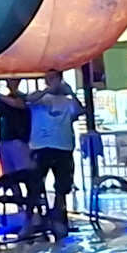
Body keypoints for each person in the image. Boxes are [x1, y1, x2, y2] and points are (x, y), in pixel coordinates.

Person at [28, 71, 84, 234]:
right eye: (49, 78)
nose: (51, 81)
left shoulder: (67, 101)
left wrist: (72, 93)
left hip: (63, 147)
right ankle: (35, 217)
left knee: (62, 185)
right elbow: (28, 100)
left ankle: (60, 216)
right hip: (41, 147)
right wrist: (47, 90)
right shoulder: (39, 98)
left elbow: (80, 111)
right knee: (36, 184)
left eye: (54, 78)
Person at [0, 79, 36, 185]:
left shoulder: (23, 98)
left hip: (18, 140)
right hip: (4, 140)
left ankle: (31, 193)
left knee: (24, 172)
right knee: (9, 174)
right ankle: (16, 193)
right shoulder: (1, 102)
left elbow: (18, 104)